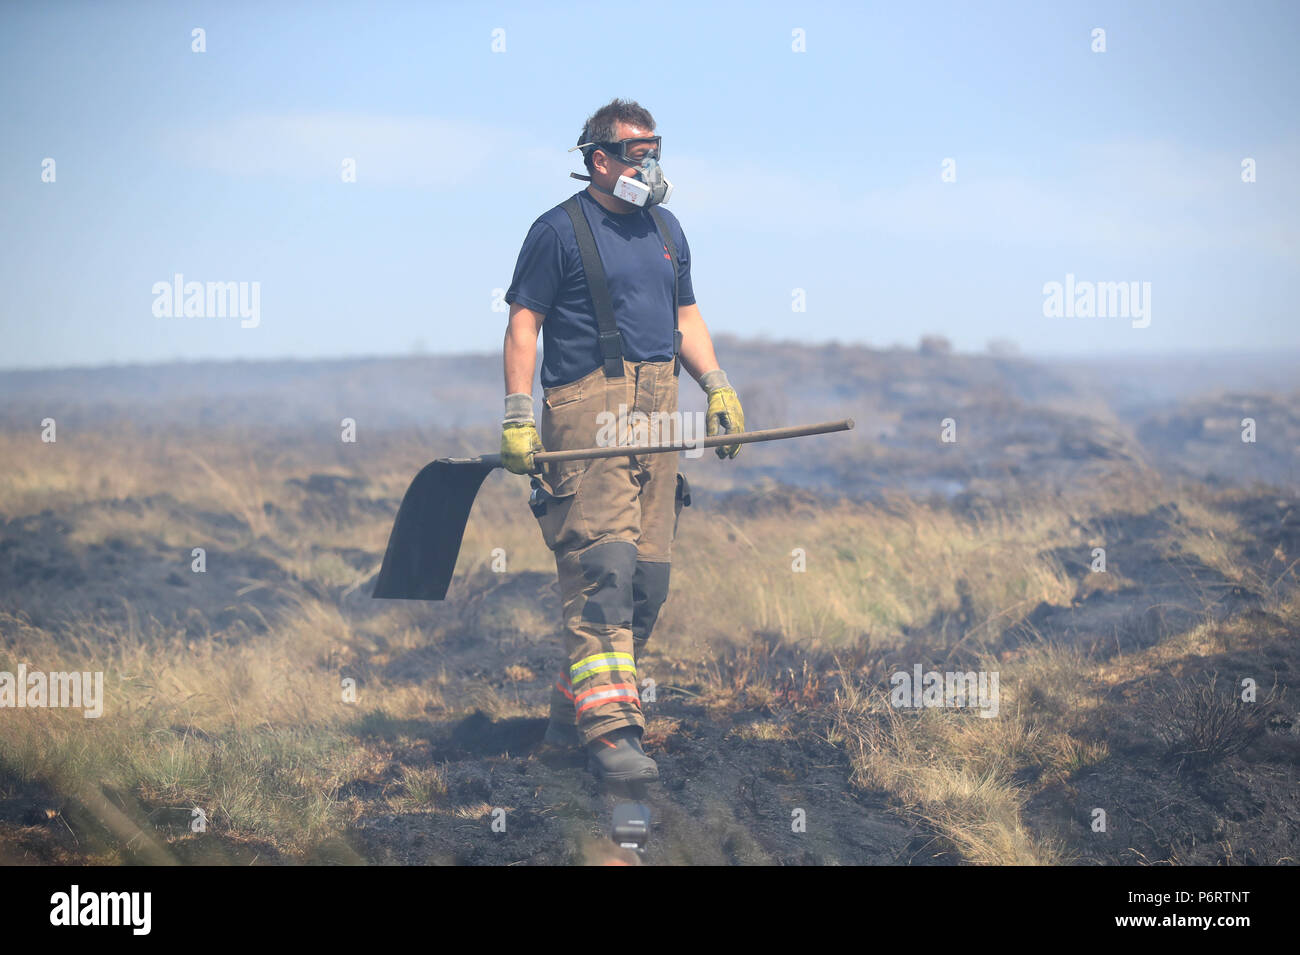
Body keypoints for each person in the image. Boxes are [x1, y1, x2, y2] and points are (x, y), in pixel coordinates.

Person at [500, 99, 744, 783]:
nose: (650, 164)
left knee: (646, 585)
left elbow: (685, 317)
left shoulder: (666, 230)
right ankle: (613, 737)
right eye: (637, 152)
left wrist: (717, 386)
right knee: (601, 571)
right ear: (599, 159)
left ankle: (565, 717)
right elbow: (524, 324)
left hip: (660, 412)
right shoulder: (556, 232)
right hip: (588, 413)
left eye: (654, 149)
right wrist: (520, 414)